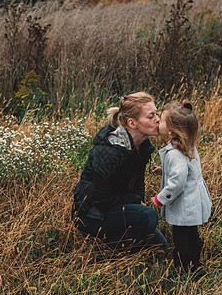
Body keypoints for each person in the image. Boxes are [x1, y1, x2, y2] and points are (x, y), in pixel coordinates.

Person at [72, 92, 168, 251]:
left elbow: (138, 183)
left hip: (116, 206)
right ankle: (105, 252)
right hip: (93, 215)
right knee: (148, 217)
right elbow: (100, 197)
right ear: (132, 123)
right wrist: (137, 203)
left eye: (157, 114)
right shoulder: (109, 150)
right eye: (151, 116)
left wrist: (138, 203)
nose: (158, 119)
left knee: (161, 247)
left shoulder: (142, 145)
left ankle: (127, 240)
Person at [151, 101, 212, 273]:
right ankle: (195, 263)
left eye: (161, 121)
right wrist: (164, 171)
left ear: (171, 131)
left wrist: (159, 199)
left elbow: (177, 182)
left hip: (184, 203)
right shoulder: (186, 145)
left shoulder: (175, 154)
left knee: (180, 238)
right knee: (191, 233)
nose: (157, 122)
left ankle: (184, 268)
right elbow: (186, 170)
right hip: (193, 199)